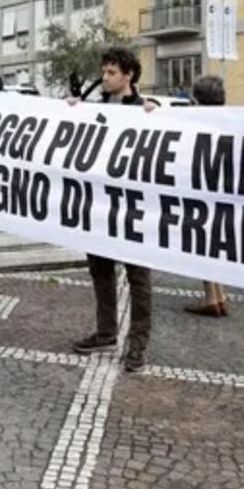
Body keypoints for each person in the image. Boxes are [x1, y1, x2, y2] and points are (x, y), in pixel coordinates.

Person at [70, 47, 157, 373]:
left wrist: (155, 115)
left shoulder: (146, 110)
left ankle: (138, 345)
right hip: (99, 207)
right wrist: (71, 111)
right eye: (103, 72)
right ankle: (106, 333)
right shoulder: (95, 108)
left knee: (139, 279)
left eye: (111, 73)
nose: (104, 78)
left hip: (134, 208)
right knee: (101, 273)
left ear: (128, 75)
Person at [184, 75, 234, 318]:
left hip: (201, 189)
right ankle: (219, 296)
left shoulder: (196, 122)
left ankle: (211, 298)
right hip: (224, 191)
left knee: (201, 244)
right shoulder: (231, 120)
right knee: (215, 244)